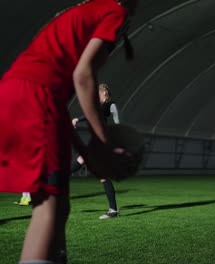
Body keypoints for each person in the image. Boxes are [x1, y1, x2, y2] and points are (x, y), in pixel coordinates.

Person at [0, 0, 138, 263]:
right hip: (34, 97)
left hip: (24, 96)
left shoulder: (82, 13)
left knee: (58, 205)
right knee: (47, 209)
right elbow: (83, 75)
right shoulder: (114, 10)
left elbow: (59, 111)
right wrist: (103, 142)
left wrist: (88, 151)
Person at [71, 83, 121, 219]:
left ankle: (55, 177)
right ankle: (113, 210)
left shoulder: (110, 105)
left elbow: (117, 121)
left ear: (104, 93)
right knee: (101, 175)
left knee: (84, 161)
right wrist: (77, 119)